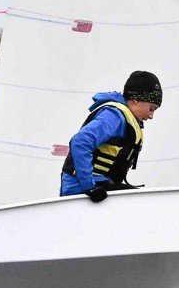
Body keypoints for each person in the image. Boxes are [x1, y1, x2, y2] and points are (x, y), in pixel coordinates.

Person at [60, 70, 162, 202]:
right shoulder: (114, 116)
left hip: (102, 185)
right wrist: (89, 187)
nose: (151, 116)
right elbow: (80, 142)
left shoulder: (126, 120)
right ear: (136, 100)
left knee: (142, 200)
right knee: (144, 202)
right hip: (82, 189)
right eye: (151, 108)